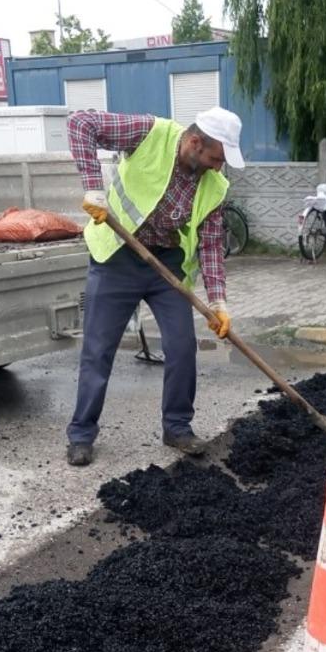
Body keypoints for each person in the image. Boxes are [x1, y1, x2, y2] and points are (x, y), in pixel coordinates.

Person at [66, 107, 244, 466]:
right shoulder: (150, 133)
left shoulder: (215, 185)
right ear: (195, 142)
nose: (217, 167)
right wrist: (92, 187)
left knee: (182, 346)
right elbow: (79, 123)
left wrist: (219, 302)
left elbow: (210, 246)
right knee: (99, 349)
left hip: (168, 266)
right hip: (117, 255)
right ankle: (81, 434)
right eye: (214, 158)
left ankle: (177, 428)